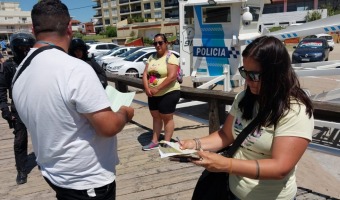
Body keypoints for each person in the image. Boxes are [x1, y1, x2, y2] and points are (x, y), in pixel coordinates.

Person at [12, 1, 134, 199]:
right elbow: (108, 127)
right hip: (87, 180)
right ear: (69, 27)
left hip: (53, 173)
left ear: (33, 29)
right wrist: (124, 113)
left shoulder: (21, 70)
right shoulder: (75, 69)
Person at [179, 36, 314, 199]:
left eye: (255, 75)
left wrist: (226, 165)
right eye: (245, 72)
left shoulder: (294, 110)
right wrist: (193, 144)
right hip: (232, 191)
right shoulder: (245, 98)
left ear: (275, 74)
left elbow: (280, 168)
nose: (248, 80)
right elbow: (226, 135)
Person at [0, 32, 35, 185]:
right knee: (20, 140)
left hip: (37, 106)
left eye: (28, 47)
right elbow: (1, 89)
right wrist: (4, 109)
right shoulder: (8, 66)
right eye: (21, 48)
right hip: (18, 108)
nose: (25, 51)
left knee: (44, 136)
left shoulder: (36, 64)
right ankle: (21, 169)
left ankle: (45, 161)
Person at [142, 33, 180, 150]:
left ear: (166, 43)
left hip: (168, 92)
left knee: (167, 117)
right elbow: (145, 73)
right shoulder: (151, 57)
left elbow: (172, 76)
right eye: (155, 43)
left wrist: (157, 88)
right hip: (152, 94)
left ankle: (166, 142)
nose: (157, 45)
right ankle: (154, 141)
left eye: (160, 42)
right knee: (156, 117)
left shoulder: (171, 57)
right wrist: (147, 88)